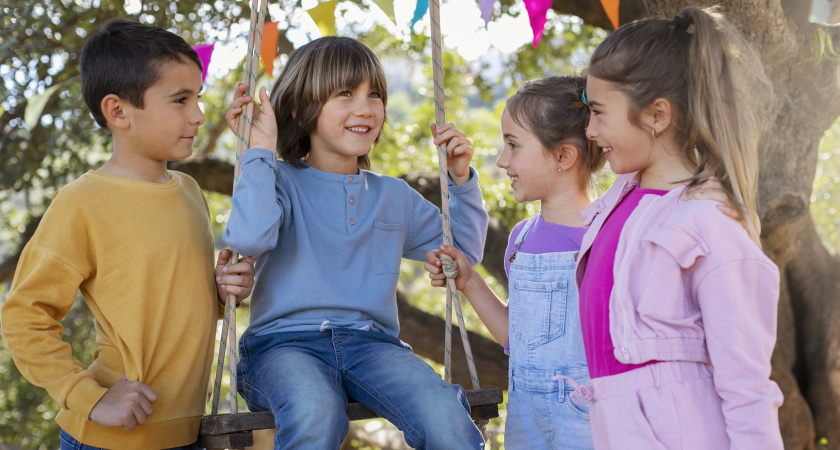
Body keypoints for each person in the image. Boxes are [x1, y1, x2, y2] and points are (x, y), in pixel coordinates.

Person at [0, 20, 257, 450]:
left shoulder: (191, 192)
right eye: (180, 100)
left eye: (198, 98)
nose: (198, 114)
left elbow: (163, 304)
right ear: (118, 112)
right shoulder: (82, 201)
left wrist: (220, 292)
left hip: (188, 434)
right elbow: (24, 316)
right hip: (110, 440)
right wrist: (90, 398)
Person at [223, 36, 488, 449]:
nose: (365, 108)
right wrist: (259, 151)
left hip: (373, 346)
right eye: (345, 93)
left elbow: (464, 254)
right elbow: (248, 236)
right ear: (300, 107)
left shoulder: (393, 197)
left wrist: (460, 182)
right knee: (315, 410)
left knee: (445, 414)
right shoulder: (277, 181)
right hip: (282, 346)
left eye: (375, 95)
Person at [576, 6, 783, 448]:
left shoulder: (711, 223)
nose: (589, 130)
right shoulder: (618, 202)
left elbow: (747, 386)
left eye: (598, 112)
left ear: (657, 116)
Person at [427, 76, 601, 449]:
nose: (502, 161)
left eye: (513, 146)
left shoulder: (603, 241)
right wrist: (470, 281)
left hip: (588, 425)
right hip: (525, 424)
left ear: (563, 157)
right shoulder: (522, 238)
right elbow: (518, 338)